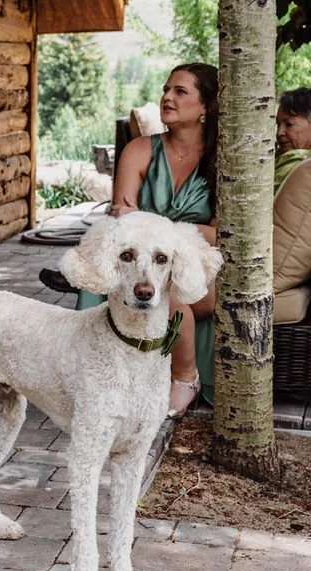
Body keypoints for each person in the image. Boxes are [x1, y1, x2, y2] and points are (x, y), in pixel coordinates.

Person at [68, 63, 219, 419]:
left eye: (180, 92)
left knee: (174, 286)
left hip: (196, 266)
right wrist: (171, 228)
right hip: (138, 261)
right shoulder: (139, 149)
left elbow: (219, 235)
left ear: (205, 107)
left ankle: (185, 377)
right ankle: (93, 378)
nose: (167, 97)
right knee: (97, 284)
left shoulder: (222, 161)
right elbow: (121, 217)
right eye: (166, 89)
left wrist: (151, 225)